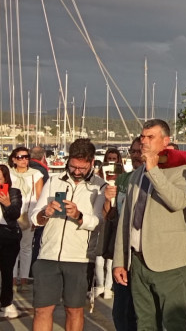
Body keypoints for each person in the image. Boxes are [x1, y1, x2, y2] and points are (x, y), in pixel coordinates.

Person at [113, 119, 186, 331]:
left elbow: (177, 202)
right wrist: (120, 261)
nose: (144, 142)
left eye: (151, 137)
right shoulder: (136, 175)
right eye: (143, 137)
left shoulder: (183, 171)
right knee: (145, 323)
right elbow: (126, 221)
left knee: (174, 323)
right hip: (138, 261)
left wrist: (153, 170)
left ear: (166, 141)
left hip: (169, 263)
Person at [30, 139, 107, 331]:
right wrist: (45, 212)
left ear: (91, 163)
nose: (76, 172)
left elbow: (98, 222)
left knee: (74, 310)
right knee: (42, 310)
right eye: (73, 166)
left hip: (79, 258)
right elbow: (34, 217)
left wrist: (79, 215)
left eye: (82, 168)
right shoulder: (54, 180)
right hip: (48, 254)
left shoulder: (100, 187)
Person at [112, 138, 141, 331]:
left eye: (140, 151)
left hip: (145, 253)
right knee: (120, 311)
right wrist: (108, 200)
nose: (136, 155)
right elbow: (111, 216)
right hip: (124, 249)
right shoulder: (123, 179)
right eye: (133, 151)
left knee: (140, 311)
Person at [8, 146, 44, 290]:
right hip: (10, 214)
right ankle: (10, 279)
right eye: (20, 157)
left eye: (26, 157)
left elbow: (39, 196)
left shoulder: (36, 174)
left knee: (26, 247)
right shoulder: (8, 173)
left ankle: (23, 279)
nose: (24, 160)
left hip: (28, 214)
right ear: (14, 159)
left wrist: (37, 217)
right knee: (11, 248)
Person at [94, 147, 122, 300]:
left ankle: (108, 287)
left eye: (114, 158)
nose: (112, 161)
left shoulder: (122, 179)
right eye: (109, 158)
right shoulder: (99, 180)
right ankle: (99, 284)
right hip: (102, 219)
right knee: (99, 257)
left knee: (111, 256)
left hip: (116, 218)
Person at [0, 164, 22, 319]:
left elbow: (15, 214)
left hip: (7, 235)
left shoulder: (14, 192)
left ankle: (6, 302)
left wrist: (7, 203)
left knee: (7, 271)